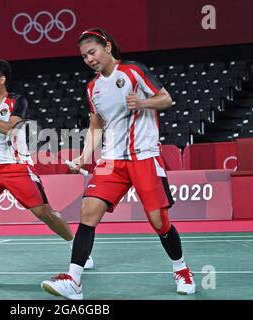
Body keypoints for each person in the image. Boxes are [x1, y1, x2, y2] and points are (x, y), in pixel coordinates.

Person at [41, 28, 195, 299]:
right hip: (111, 159)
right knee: (88, 212)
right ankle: (73, 280)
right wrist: (83, 156)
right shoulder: (92, 88)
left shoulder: (133, 70)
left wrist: (143, 102)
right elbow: (95, 125)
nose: (89, 59)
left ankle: (181, 269)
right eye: (84, 56)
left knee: (159, 221)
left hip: (144, 156)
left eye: (92, 52)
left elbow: (167, 99)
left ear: (107, 47)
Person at [0, 59, 93, 280]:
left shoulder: (17, 102)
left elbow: (9, 129)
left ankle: (78, 249)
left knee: (45, 213)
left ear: (2, 80)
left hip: (18, 167)